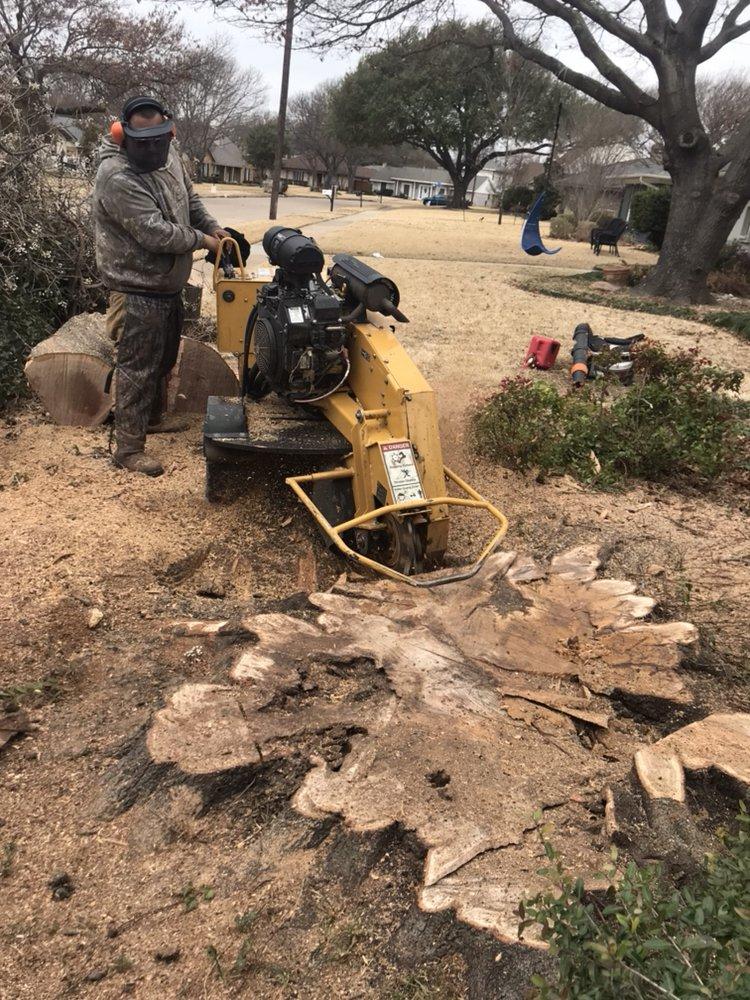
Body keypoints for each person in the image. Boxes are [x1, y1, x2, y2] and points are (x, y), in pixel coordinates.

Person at [93, 95, 229, 476]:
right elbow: (154, 233)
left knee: (164, 359)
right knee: (137, 369)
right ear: (123, 135)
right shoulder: (117, 176)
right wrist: (203, 242)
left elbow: (190, 197)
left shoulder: (170, 155)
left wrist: (211, 225)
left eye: (159, 138)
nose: (152, 147)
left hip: (167, 284)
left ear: (168, 132)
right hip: (136, 286)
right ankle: (128, 449)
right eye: (143, 140)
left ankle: (151, 418)